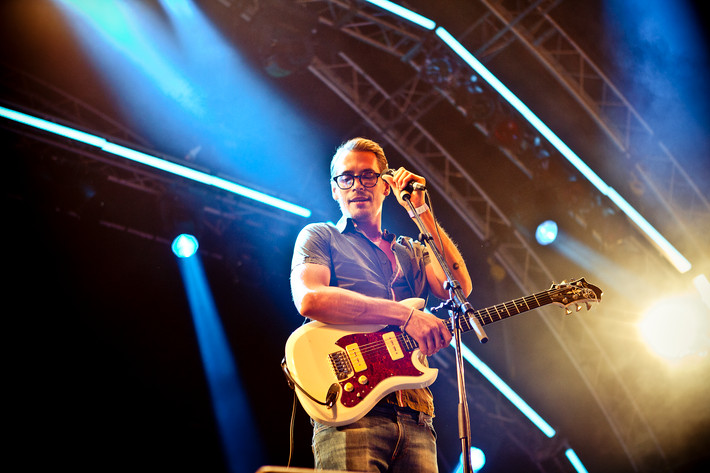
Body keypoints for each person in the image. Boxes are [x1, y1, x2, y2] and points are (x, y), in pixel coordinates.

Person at [290, 137, 473, 472]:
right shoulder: (320, 237)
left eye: (368, 176)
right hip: (350, 413)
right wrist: (405, 315)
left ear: (386, 185)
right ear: (335, 189)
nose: (357, 185)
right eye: (347, 177)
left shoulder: (413, 250)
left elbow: (457, 290)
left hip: (417, 414)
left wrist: (422, 212)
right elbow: (310, 298)